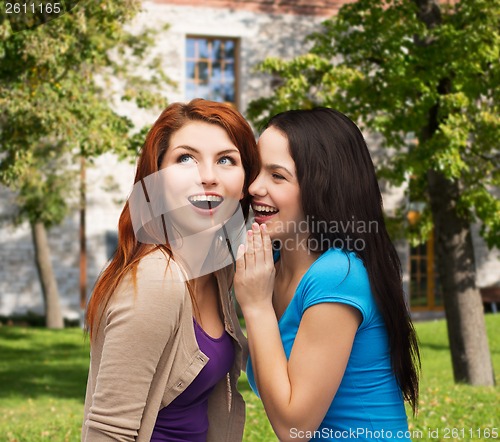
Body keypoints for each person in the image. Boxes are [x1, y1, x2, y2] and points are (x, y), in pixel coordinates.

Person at [234, 108, 420, 442]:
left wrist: (257, 306)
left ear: (323, 187)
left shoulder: (339, 275)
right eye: (256, 170)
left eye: (277, 176)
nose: (254, 187)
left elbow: (295, 428)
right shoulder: (269, 266)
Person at [82, 98, 259, 442]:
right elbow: (108, 432)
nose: (208, 176)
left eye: (226, 160)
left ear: (243, 184)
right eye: (186, 159)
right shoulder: (155, 280)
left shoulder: (218, 269)